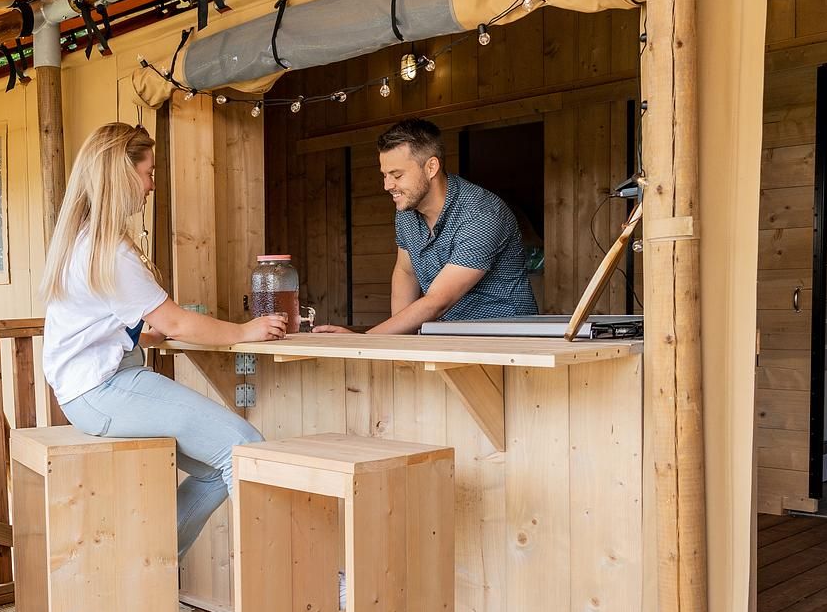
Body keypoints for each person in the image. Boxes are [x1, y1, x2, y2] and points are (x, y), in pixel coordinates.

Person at [41, 123, 287, 558]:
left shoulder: (85, 244)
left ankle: (143, 568)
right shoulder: (109, 253)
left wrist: (139, 333)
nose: (153, 185)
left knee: (217, 468)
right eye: (149, 172)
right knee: (245, 448)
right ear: (122, 174)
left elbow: (113, 323)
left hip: (89, 390)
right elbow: (176, 323)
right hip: (104, 389)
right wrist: (245, 331)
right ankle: (304, 579)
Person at [315, 118, 538, 334]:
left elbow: (437, 302)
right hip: (449, 336)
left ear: (431, 167)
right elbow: (406, 272)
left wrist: (367, 342)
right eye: (384, 175)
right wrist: (400, 342)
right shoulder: (407, 210)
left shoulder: (481, 213)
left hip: (508, 340)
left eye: (397, 175)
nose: (387, 185)